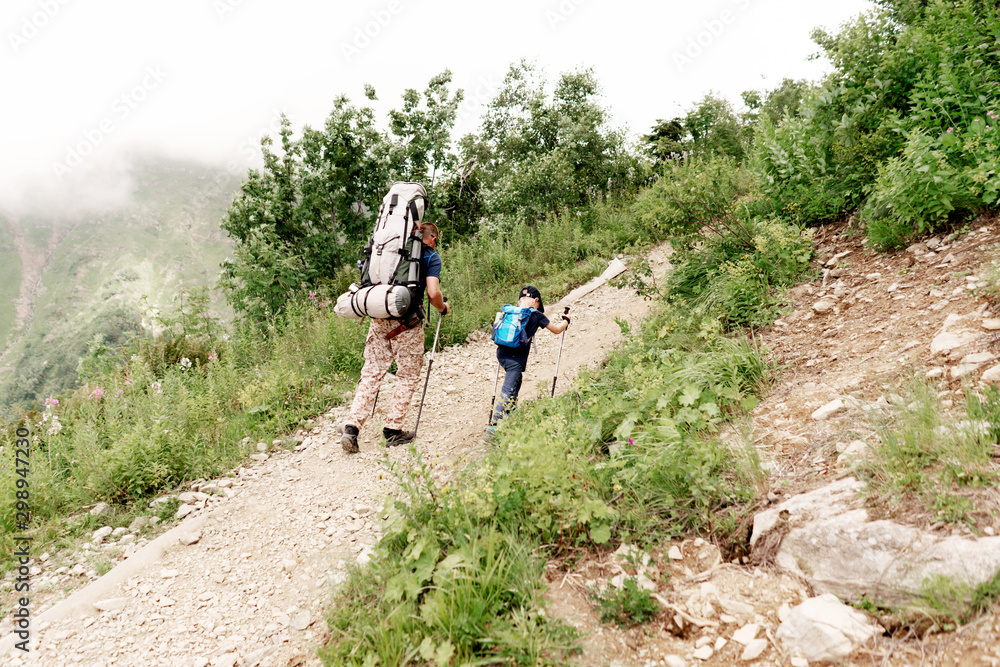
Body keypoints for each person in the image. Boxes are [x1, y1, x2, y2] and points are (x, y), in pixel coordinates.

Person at [341, 221, 450, 453]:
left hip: (378, 319)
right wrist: (442, 307)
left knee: (371, 373)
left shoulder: (390, 250)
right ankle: (393, 430)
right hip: (407, 324)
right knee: (408, 376)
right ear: (432, 238)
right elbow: (433, 293)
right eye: (435, 240)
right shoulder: (431, 256)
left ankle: (351, 428)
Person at [487, 285, 569, 434]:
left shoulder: (510, 311)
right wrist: (566, 321)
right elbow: (557, 330)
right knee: (507, 389)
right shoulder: (536, 314)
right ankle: (492, 428)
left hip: (501, 354)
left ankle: (511, 413)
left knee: (517, 380)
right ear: (536, 300)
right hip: (515, 358)